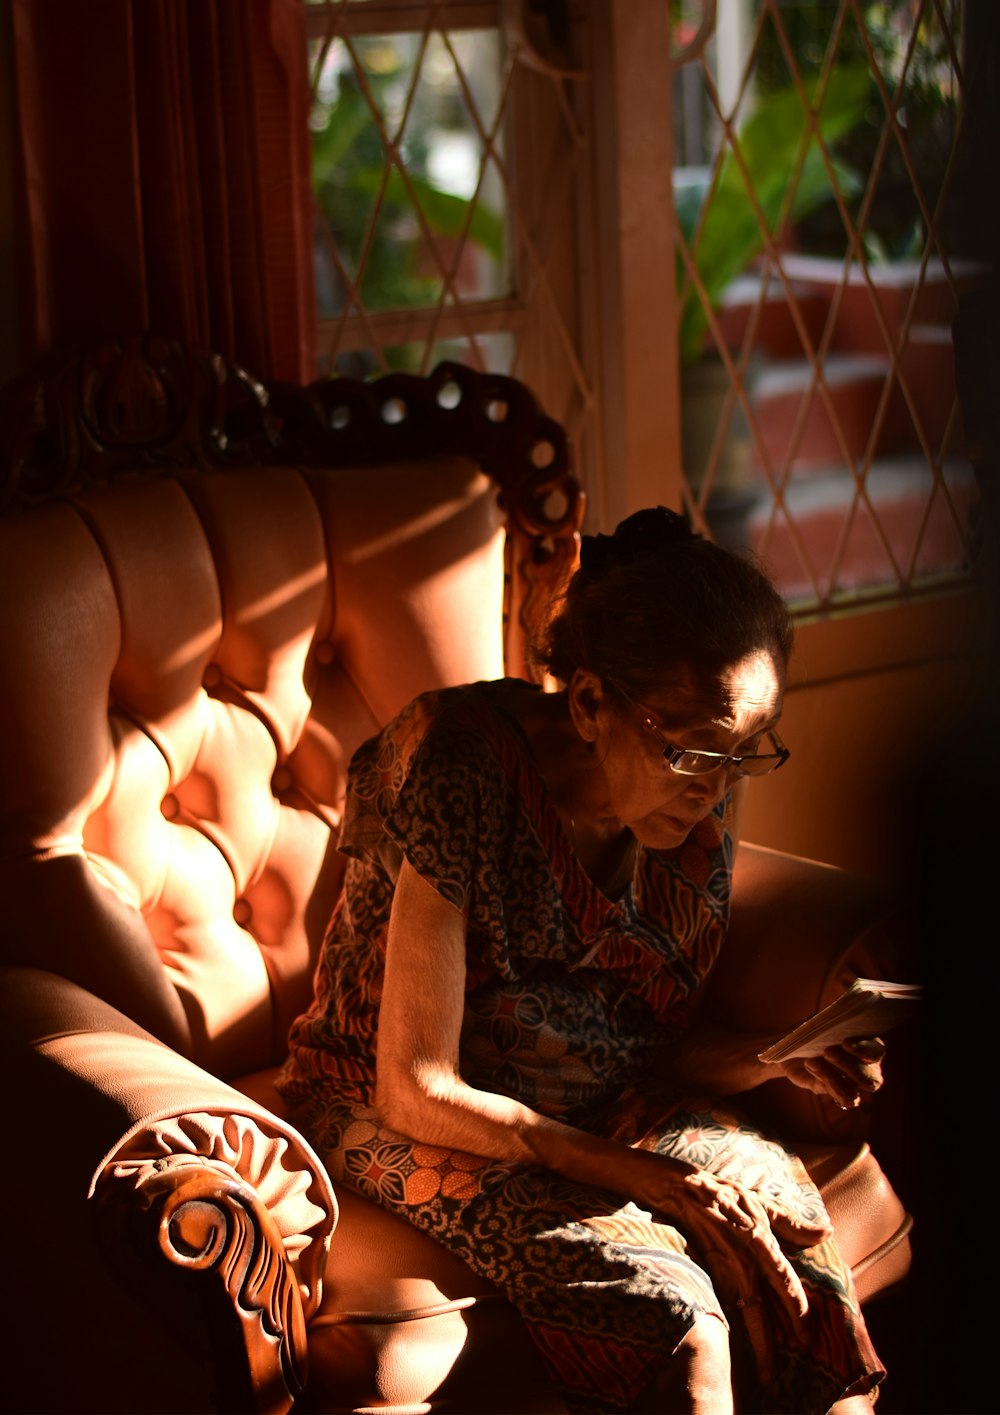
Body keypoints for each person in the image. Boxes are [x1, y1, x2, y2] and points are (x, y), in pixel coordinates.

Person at [277, 506, 886, 1414]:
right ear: (593, 701)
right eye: (692, 748)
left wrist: (781, 1051)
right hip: (398, 1112)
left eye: (745, 751)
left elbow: (639, 1048)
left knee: (792, 1242)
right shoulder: (463, 765)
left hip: (589, 1102)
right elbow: (417, 1084)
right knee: (675, 1322)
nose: (718, 786)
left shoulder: (691, 800)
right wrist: (638, 1174)